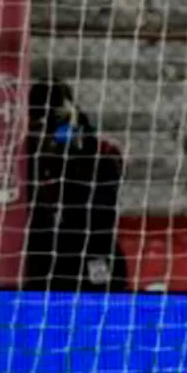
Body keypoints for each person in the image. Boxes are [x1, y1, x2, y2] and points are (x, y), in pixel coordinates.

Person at [22, 80, 129, 292]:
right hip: (43, 256)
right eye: (39, 125)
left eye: (57, 122)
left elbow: (100, 213)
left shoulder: (102, 152)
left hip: (91, 250)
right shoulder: (26, 156)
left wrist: (75, 151)